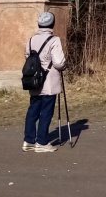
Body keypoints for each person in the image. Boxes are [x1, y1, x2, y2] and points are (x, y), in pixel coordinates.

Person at [23, 11, 67, 153]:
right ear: (52, 24)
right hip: (49, 82)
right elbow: (59, 63)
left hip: (34, 81)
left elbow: (27, 57)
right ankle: (41, 142)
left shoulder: (31, 40)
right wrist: (64, 66)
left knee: (33, 110)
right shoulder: (54, 40)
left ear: (39, 24)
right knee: (46, 112)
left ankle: (28, 140)